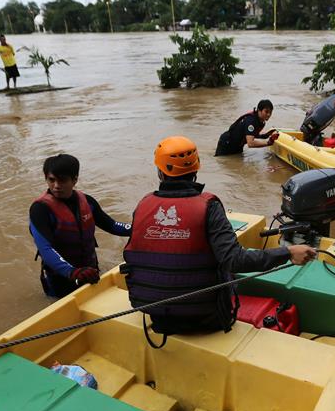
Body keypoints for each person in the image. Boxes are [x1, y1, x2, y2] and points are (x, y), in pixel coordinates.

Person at [123, 136, 316, 335]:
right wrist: (288, 252)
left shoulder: (143, 205)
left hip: (154, 313)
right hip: (205, 319)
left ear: (160, 172)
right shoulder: (209, 206)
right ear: (196, 169)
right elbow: (236, 261)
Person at [29, 154, 132, 297]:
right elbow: (45, 249)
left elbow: (112, 225)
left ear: (75, 179)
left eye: (62, 180)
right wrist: (72, 272)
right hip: (61, 278)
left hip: (90, 272)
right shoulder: (40, 210)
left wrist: (140, 229)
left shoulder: (87, 202)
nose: (56, 186)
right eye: (51, 180)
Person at [215, 99, 280, 156]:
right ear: (259, 110)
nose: (268, 114)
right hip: (226, 144)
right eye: (266, 111)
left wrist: (267, 135)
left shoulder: (260, 121)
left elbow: (252, 135)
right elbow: (250, 143)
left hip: (238, 146)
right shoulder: (251, 121)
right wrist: (268, 142)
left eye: (270, 112)